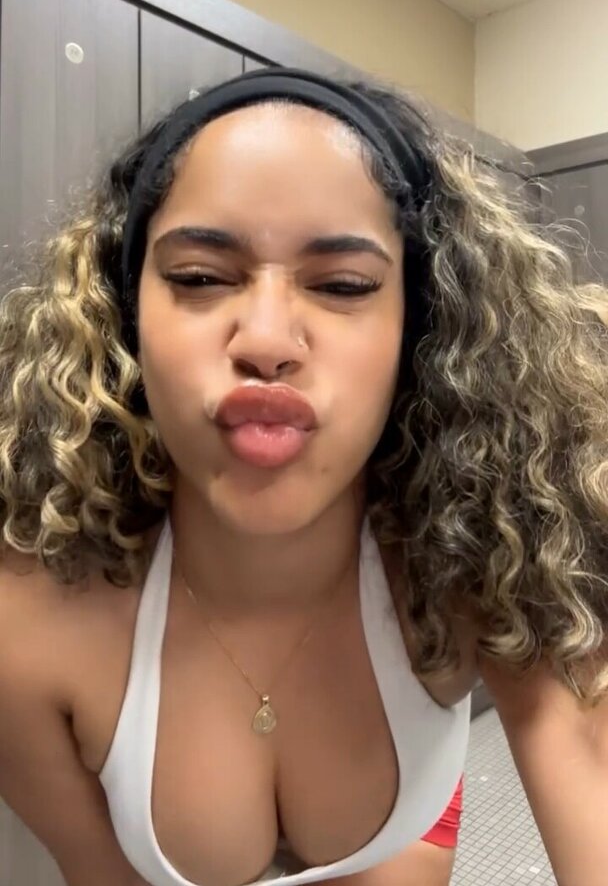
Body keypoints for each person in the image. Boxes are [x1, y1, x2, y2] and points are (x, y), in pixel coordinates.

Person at [0, 67, 606, 886]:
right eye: (199, 277)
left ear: (419, 328)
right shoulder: (25, 621)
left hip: (403, 827)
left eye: (344, 285)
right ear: (124, 313)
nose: (267, 340)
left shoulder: (492, 551)